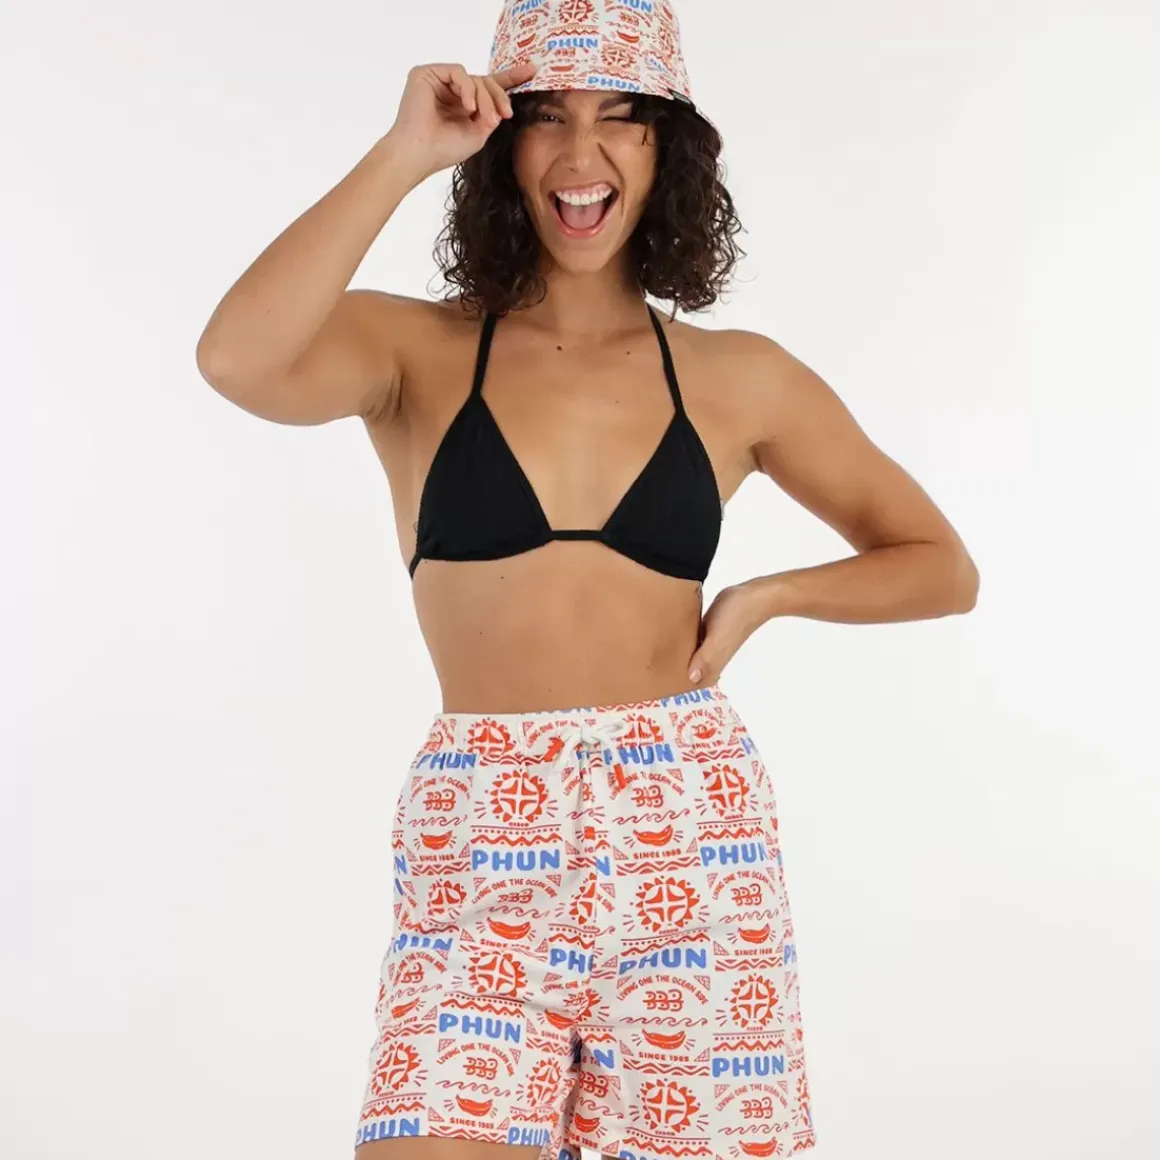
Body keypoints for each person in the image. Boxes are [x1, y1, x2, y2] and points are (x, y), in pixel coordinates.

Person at [196, 2, 979, 1158]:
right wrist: (404, 152)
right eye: (545, 117)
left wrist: (763, 597)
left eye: (620, 116)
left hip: (687, 832)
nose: (580, 153)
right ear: (499, 145)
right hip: (482, 831)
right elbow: (236, 357)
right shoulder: (411, 352)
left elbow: (938, 564)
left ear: (668, 151)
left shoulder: (736, 376)